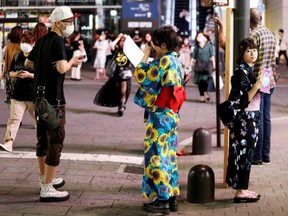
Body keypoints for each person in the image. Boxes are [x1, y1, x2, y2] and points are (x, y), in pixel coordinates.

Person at [25, 6, 83, 202]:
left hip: (38, 97)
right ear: (58, 23)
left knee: (42, 139)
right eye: (69, 21)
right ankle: (47, 188)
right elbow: (61, 68)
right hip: (54, 100)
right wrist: (73, 61)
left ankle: (44, 179)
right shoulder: (58, 41)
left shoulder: (42, 41)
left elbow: (28, 64)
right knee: (55, 141)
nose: (71, 25)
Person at [134, 26, 186, 215]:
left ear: (163, 45)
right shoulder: (175, 60)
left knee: (156, 154)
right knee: (169, 155)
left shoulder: (163, 60)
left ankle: (162, 200)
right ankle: (170, 196)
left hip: (161, 114)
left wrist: (144, 55)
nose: (153, 47)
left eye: (155, 44)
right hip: (172, 113)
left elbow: (142, 75)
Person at [226, 38, 263, 203]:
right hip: (245, 119)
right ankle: (241, 191)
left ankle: (243, 188)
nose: (252, 53)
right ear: (241, 54)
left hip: (251, 117)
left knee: (246, 153)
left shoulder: (249, 69)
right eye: (248, 51)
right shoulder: (241, 71)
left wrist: (266, 84)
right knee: (244, 153)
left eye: (254, 50)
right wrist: (257, 86)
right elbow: (240, 100)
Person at [249, 8, 277, 166]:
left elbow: (252, 60)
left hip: (259, 78)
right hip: (269, 77)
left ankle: (257, 156)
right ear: (260, 17)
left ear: (250, 20)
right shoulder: (270, 33)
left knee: (258, 117)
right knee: (266, 118)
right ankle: (266, 154)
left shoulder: (254, 35)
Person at [0, 31, 36, 152]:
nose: (24, 44)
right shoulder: (17, 56)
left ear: (33, 43)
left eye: (27, 42)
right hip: (18, 94)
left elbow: (43, 75)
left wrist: (30, 75)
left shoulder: (38, 56)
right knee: (14, 119)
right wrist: (15, 74)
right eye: (23, 42)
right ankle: (8, 143)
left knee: (40, 121)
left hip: (33, 95)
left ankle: (43, 143)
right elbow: (10, 72)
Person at [93, 33, 132, 117]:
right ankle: (120, 105)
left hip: (125, 74)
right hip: (116, 74)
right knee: (117, 91)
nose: (122, 43)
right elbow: (111, 45)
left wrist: (126, 38)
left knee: (123, 91)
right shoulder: (117, 50)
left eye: (124, 42)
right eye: (121, 42)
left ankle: (121, 106)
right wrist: (118, 38)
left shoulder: (129, 51)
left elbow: (133, 46)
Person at [190, 31, 215, 102]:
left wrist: (214, 64)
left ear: (205, 38)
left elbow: (212, 56)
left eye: (200, 36)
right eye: (198, 36)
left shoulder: (209, 46)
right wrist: (189, 66)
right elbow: (193, 57)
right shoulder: (196, 47)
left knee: (205, 80)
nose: (199, 38)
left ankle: (205, 92)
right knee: (199, 82)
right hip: (198, 67)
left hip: (207, 66)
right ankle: (202, 95)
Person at [1, 26, 24, 105]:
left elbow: (6, 62)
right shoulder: (22, 46)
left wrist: (3, 74)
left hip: (10, 76)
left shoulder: (8, 46)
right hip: (21, 75)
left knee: (13, 101)